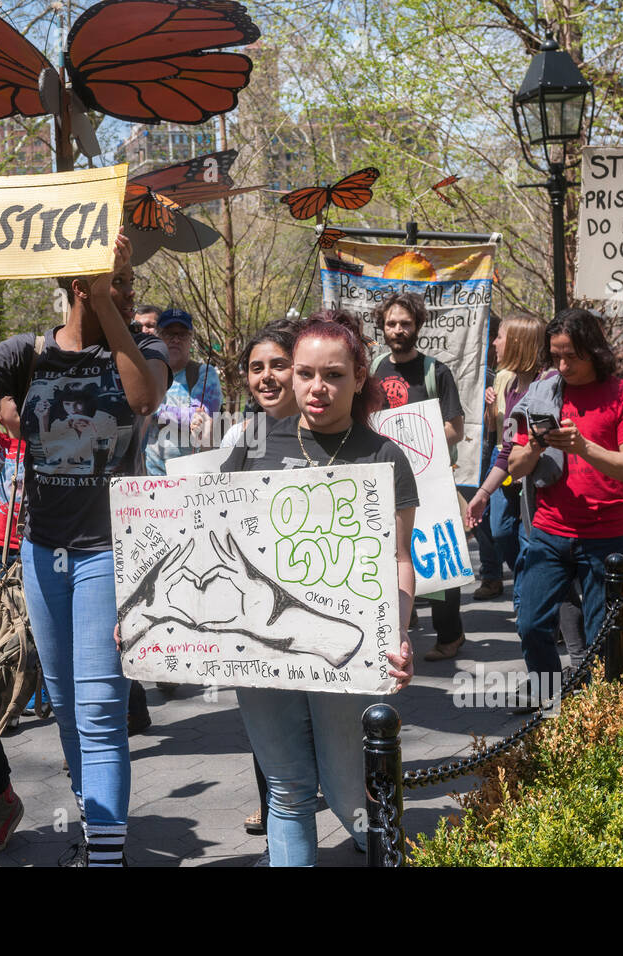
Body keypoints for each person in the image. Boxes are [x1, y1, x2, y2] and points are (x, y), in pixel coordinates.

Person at [0, 234, 168, 867]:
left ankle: (107, 856)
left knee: (98, 706)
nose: (120, 289)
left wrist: (109, 305)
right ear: (70, 283)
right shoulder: (26, 353)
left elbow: (143, 399)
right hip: (43, 554)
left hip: (110, 551)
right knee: (63, 703)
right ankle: (97, 834)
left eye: (124, 281)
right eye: (109, 279)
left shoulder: (143, 348)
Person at [220, 310, 415, 866]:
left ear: (360, 376)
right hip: (260, 648)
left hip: (345, 649)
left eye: (333, 374)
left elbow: (401, 560)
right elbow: (209, 533)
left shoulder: (384, 457)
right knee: (286, 789)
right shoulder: (254, 443)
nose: (316, 387)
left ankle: (378, 847)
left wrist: (397, 636)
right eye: (305, 373)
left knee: (348, 789)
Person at [508, 309, 623, 707]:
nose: (563, 365)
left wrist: (582, 447)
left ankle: (594, 711)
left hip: (605, 536)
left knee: (601, 634)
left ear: (594, 351)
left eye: (572, 356)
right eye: (556, 357)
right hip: (549, 532)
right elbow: (515, 467)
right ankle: (551, 695)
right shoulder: (545, 393)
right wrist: (537, 443)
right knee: (532, 623)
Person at [219, 318, 300, 855]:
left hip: (325, 612)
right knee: (270, 734)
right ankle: (280, 826)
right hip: (264, 614)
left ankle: (364, 815)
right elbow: (210, 512)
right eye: (256, 368)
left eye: (277, 365)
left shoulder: (337, 429)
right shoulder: (244, 437)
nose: (266, 378)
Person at [369, 292, 466, 660]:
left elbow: (455, 429)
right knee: (390, 553)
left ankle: (450, 635)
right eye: (392, 323)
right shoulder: (375, 369)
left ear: (417, 327)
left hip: (429, 478)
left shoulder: (436, 372)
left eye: (405, 323)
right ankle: (395, 629)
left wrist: (416, 442)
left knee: (437, 557)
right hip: (386, 478)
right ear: (383, 325)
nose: (398, 330)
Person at [466, 314, 545, 601]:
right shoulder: (509, 385)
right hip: (505, 465)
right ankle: (525, 584)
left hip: (537, 480)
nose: (494, 343)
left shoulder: (547, 384)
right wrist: (485, 492)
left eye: (499, 336)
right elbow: (505, 441)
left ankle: (528, 599)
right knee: (500, 530)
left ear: (516, 343)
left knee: (531, 540)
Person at [144, 307, 221, 475]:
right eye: (169, 334)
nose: (176, 340)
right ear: (158, 336)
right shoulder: (147, 374)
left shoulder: (205, 373)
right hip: (149, 478)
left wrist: (152, 408)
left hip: (191, 479)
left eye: (182, 334)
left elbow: (198, 418)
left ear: (190, 339)